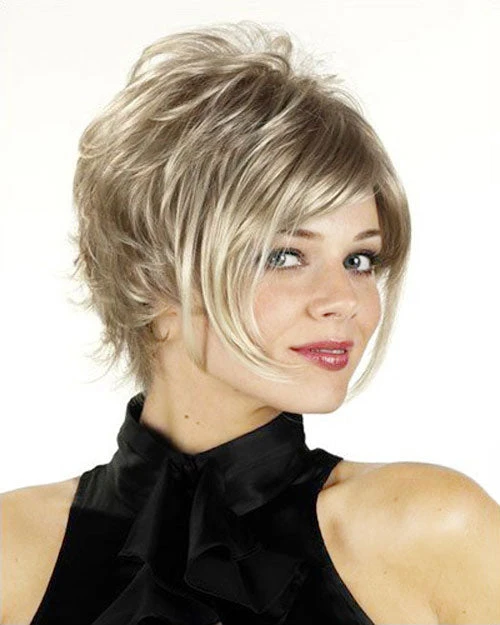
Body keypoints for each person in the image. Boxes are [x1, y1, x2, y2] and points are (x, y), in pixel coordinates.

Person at [1, 20, 499, 625]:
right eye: (284, 255)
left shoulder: (436, 530)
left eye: (359, 259)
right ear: (152, 277)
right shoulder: (12, 550)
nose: (343, 300)